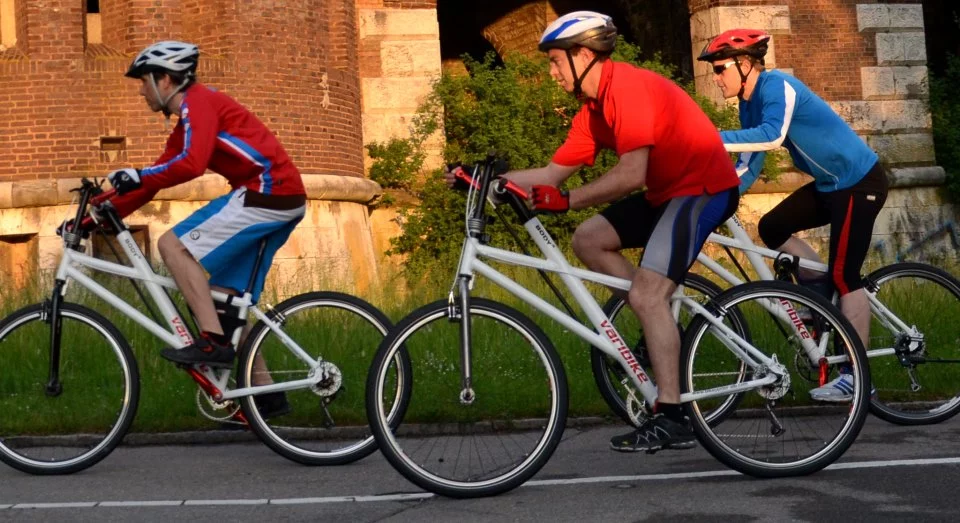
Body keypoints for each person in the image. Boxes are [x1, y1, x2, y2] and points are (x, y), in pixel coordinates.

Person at [448, 11, 740, 452]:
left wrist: (566, 201)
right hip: (667, 195)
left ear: (583, 54)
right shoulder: (592, 112)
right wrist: (482, 179)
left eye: (555, 61)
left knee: (647, 293)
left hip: (702, 189)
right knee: (587, 239)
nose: (551, 71)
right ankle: (653, 311)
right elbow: (551, 172)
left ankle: (672, 414)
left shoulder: (628, 88)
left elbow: (630, 174)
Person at [101, 40, 307, 417]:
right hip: (279, 198)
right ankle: (265, 397)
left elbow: (191, 165)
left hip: (266, 192)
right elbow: (157, 179)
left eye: (143, 81)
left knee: (172, 246)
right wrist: (102, 209)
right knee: (224, 300)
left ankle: (213, 343)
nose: (140, 90)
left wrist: (139, 174)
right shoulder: (189, 119)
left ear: (164, 80)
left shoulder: (199, 103)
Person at [697, 29, 888, 402]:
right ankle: (822, 301)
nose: (715, 77)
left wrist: (708, 138)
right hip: (831, 185)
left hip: (858, 181)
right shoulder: (748, 104)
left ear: (746, 64)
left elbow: (770, 136)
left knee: (845, 275)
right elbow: (748, 167)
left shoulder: (777, 86)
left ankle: (856, 378)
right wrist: (713, 201)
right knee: (772, 227)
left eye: (720, 69)